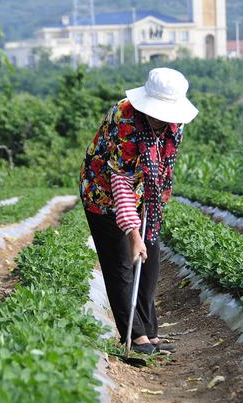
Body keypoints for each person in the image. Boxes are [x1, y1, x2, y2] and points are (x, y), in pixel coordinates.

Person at [79, 68, 199, 355]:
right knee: (121, 262)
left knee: (151, 258)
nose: (163, 119)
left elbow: (165, 167)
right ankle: (134, 337)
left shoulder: (175, 124)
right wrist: (133, 233)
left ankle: (150, 332)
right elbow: (120, 181)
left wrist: (152, 207)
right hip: (103, 192)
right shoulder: (125, 118)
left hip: (146, 192)